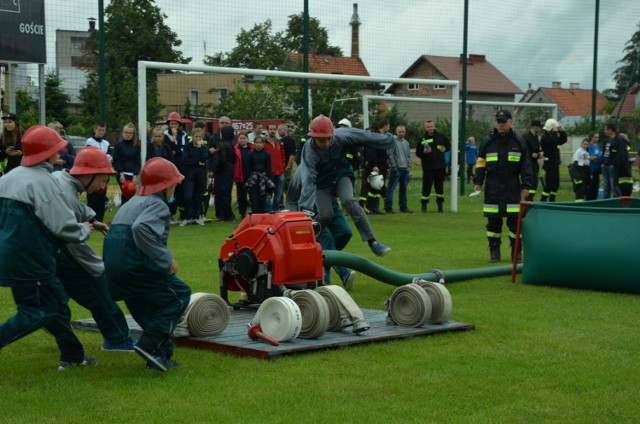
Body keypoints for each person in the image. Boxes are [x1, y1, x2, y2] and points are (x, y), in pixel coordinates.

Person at [0, 125, 96, 370]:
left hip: (9, 254)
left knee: (55, 307)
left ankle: (73, 355)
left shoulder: (8, 178)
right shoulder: (44, 183)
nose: (61, 152)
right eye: (56, 148)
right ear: (46, 153)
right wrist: (85, 228)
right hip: (33, 259)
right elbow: (64, 228)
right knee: (37, 312)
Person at [103, 157, 191, 372]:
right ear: (165, 186)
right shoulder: (157, 205)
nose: (176, 187)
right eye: (174, 183)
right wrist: (165, 258)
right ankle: (149, 344)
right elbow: (140, 229)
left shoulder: (132, 202)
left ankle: (160, 355)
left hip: (114, 269)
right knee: (179, 295)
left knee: (144, 307)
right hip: (136, 265)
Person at [53, 147, 134, 351]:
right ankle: (117, 338)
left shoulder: (61, 179)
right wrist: (96, 264)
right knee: (98, 289)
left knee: (56, 297)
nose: (103, 185)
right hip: (63, 249)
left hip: (49, 251)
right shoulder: (66, 190)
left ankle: (54, 325)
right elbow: (70, 235)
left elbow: (76, 207)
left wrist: (93, 219)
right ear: (88, 174)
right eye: (102, 179)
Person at [299, 114, 393, 257]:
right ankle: (307, 242)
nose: (325, 143)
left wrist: (386, 139)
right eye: (321, 140)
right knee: (325, 215)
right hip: (321, 183)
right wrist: (305, 207)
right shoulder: (309, 151)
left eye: (328, 139)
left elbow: (364, 136)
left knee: (349, 200)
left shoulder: (341, 136)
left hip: (341, 174)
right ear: (313, 137)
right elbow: (308, 178)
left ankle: (373, 242)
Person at [286, 156, 356, 290]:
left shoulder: (333, 159)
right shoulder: (305, 168)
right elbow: (293, 196)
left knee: (345, 232)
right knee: (326, 238)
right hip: (310, 207)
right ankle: (344, 274)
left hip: (330, 201)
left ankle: (325, 264)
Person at [473, 110, 533, 263]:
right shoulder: (488, 141)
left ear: (510, 122)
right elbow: (481, 163)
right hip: (492, 187)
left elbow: (526, 166)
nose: (501, 124)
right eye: (499, 121)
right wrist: (478, 182)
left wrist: (526, 185)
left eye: (504, 121)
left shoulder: (519, 142)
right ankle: (494, 252)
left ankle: (516, 252)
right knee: (493, 221)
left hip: (512, 186)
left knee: (514, 222)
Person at [416, 119, 450, 213]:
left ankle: (440, 206)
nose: (430, 128)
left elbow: (448, 145)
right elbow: (418, 153)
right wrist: (424, 152)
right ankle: (424, 205)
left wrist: (445, 148)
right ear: (425, 128)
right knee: (426, 187)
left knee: (439, 187)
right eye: (428, 127)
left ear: (434, 126)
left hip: (440, 167)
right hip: (428, 168)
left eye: (431, 126)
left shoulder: (441, 137)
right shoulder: (422, 138)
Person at [359, 119, 390, 214]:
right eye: (388, 126)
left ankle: (374, 208)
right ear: (385, 126)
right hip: (376, 166)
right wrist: (375, 165)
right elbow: (372, 152)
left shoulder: (381, 137)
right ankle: (365, 207)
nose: (389, 128)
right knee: (371, 187)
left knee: (378, 188)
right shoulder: (376, 137)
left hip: (382, 166)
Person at [180, 127, 209, 226]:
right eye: (196, 136)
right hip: (189, 175)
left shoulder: (203, 147)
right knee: (188, 196)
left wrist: (200, 148)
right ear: (192, 136)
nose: (197, 139)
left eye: (199, 137)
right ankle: (188, 217)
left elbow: (205, 157)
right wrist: (197, 162)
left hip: (200, 175)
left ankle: (197, 216)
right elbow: (185, 159)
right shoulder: (187, 147)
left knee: (198, 196)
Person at [164, 112, 189, 223]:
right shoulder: (165, 135)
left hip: (181, 167)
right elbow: (169, 151)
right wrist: (174, 140)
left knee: (181, 192)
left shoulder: (184, 135)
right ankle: (170, 213)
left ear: (179, 125)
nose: (173, 126)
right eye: (172, 124)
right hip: (169, 168)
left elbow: (182, 151)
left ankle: (183, 214)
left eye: (175, 124)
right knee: (170, 192)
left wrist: (176, 150)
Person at [85, 122, 111, 222]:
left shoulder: (106, 143)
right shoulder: (90, 141)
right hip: (93, 173)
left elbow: (110, 155)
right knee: (92, 197)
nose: (101, 132)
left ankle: (100, 219)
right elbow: (89, 155)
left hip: (104, 173)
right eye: (99, 130)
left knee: (101, 197)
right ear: (95, 130)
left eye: (103, 130)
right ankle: (91, 218)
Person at [384, 125, 412, 213]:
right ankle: (388, 207)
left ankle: (403, 207)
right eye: (399, 132)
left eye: (403, 132)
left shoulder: (406, 143)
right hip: (396, 169)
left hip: (405, 169)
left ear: (405, 132)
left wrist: (409, 166)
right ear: (396, 132)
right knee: (391, 189)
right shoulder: (393, 142)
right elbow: (390, 155)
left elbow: (408, 156)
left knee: (403, 189)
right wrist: (394, 167)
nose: (401, 133)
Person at [112, 123, 141, 205]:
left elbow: (138, 161)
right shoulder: (118, 145)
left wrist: (135, 175)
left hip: (133, 175)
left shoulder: (136, 146)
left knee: (133, 195)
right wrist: (121, 173)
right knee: (126, 194)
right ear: (122, 133)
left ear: (133, 134)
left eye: (130, 133)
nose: (128, 134)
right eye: (126, 132)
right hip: (122, 174)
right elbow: (116, 160)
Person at [540, 118, 567, 202]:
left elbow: (563, 140)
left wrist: (562, 132)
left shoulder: (553, 136)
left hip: (555, 163)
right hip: (549, 163)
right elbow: (553, 141)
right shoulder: (545, 137)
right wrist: (555, 131)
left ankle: (552, 199)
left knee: (556, 184)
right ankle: (543, 200)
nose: (556, 130)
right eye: (555, 128)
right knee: (549, 184)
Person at [212, 125, 235, 222]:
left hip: (222, 171)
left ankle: (228, 215)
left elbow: (221, 160)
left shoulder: (220, 144)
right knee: (226, 193)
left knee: (221, 193)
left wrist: (214, 169)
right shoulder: (231, 144)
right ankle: (226, 215)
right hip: (229, 171)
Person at [245, 136, 273, 214]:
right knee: (254, 198)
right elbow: (248, 167)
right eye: (257, 143)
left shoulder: (267, 154)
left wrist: (269, 181)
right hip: (253, 178)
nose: (258, 145)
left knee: (262, 198)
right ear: (254, 144)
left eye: (260, 143)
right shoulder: (250, 154)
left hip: (263, 179)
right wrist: (248, 179)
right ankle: (255, 214)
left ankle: (261, 215)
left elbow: (268, 168)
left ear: (263, 144)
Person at [603, 124, 632, 197]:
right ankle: (606, 202)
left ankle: (619, 201)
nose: (604, 131)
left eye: (605, 129)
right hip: (605, 165)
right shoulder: (607, 140)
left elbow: (621, 153)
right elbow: (605, 152)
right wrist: (603, 162)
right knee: (606, 186)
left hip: (613, 166)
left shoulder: (619, 139)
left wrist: (615, 164)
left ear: (610, 130)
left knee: (614, 186)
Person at [263, 123, 286, 212]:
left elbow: (282, 156)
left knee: (279, 192)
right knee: (267, 192)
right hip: (268, 172)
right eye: (271, 129)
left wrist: (282, 166)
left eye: (274, 129)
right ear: (267, 130)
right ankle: (268, 209)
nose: (273, 131)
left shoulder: (278, 142)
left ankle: (276, 208)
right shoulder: (264, 143)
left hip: (279, 171)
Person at [233, 131, 253, 219]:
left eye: (244, 138)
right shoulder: (235, 149)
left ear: (247, 139)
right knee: (241, 196)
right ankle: (242, 213)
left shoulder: (252, 149)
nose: (242, 140)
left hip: (251, 175)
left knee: (253, 195)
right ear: (238, 139)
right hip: (240, 175)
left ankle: (255, 212)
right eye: (240, 138)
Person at [522, 120, 543, 201]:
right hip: (528, 163)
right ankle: (527, 198)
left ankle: (530, 198)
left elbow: (537, 148)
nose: (540, 128)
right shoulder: (526, 137)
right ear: (535, 126)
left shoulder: (536, 137)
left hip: (535, 163)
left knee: (534, 182)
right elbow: (524, 150)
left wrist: (540, 152)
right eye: (539, 127)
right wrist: (531, 154)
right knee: (529, 181)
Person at [279, 123, 297, 209]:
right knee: (280, 187)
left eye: (280, 130)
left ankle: (293, 203)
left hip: (286, 167)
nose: (278, 132)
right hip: (280, 168)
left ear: (285, 130)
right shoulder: (280, 141)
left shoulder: (289, 140)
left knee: (288, 187)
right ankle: (280, 204)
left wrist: (289, 166)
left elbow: (292, 154)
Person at [585, 131, 603, 200]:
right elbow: (590, 157)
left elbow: (598, 156)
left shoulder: (597, 146)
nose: (597, 139)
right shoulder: (589, 146)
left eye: (598, 137)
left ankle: (594, 199)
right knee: (591, 186)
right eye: (595, 137)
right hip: (591, 169)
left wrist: (598, 157)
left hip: (597, 168)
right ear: (591, 137)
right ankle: (589, 200)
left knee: (596, 186)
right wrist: (598, 156)